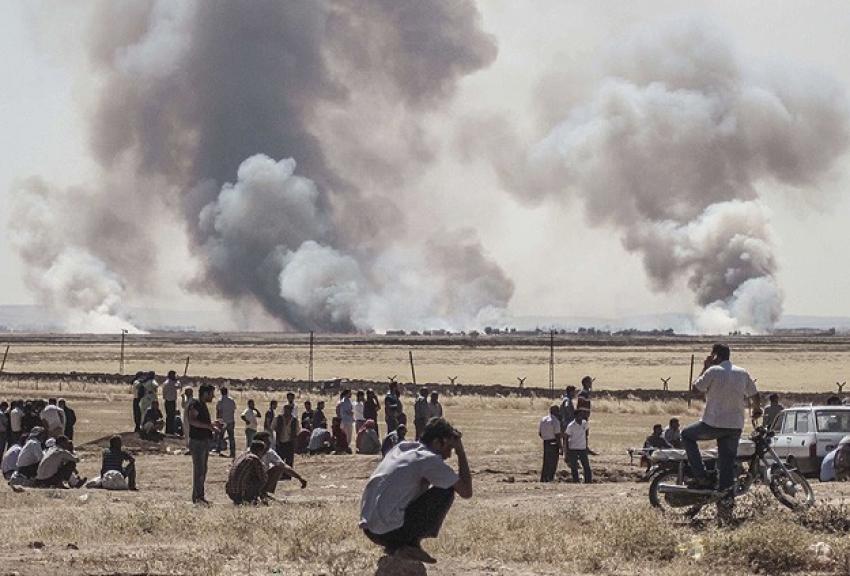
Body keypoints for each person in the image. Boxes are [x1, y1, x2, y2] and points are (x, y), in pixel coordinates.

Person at [359, 417, 472, 564]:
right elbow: (466, 491)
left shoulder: (402, 448)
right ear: (437, 442)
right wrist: (461, 452)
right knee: (447, 489)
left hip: (370, 529)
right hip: (389, 532)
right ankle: (408, 545)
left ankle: (401, 546)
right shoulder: (428, 459)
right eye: (449, 448)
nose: (449, 455)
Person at [682, 344, 761, 506]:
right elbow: (754, 394)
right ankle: (726, 500)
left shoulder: (713, 371)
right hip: (735, 425)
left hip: (713, 423)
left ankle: (701, 476)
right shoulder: (742, 372)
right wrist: (757, 409)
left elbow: (696, 389)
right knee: (727, 462)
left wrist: (705, 367)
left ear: (716, 356)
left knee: (686, 435)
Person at [187, 384, 221, 504]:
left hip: (204, 441)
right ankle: (197, 497)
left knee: (203, 470)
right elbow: (192, 420)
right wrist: (209, 426)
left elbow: (201, 421)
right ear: (205, 393)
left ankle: (200, 496)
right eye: (211, 394)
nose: (213, 396)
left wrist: (213, 424)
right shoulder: (195, 404)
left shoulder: (203, 405)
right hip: (197, 442)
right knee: (199, 470)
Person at [253, 431, 308, 496]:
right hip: (252, 481)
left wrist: (299, 478)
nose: (270, 443)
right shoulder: (251, 454)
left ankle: (264, 493)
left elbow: (284, 466)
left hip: (262, 479)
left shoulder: (270, 453)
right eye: (267, 441)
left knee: (279, 468)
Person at [565, 411, 592, 483]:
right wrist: (566, 450)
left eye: (581, 415)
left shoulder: (584, 423)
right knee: (574, 466)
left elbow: (586, 433)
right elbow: (566, 438)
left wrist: (586, 446)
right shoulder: (571, 426)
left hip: (582, 448)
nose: (581, 417)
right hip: (573, 448)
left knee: (586, 465)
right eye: (579, 415)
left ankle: (588, 480)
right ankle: (575, 480)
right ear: (575, 416)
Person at [539, 405, 562, 482]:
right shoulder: (555, 421)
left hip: (546, 442)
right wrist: (561, 447)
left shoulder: (543, 419)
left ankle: (543, 478)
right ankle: (550, 478)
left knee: (546, 461)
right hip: (554, 442)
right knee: (553, 461)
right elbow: (557, 435)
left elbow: (540, 433)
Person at [216, 387, 237, 458]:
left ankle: (218, 450)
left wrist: (218, 420)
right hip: (231, 420)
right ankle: (233, 452)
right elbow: (233, 410)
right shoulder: (231, 400)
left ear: (221, 392)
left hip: (223, 422)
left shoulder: (220, 401)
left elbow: (219, 411)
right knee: (231, 437)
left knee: (220, 436)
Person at [162, 370, 180, 435]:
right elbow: (179, 386)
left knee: (168, 416)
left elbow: (164, 393)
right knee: (171, 417)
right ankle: (171, 431)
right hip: (171, 401)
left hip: (167, 401)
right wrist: (177, 380)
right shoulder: (173, 383)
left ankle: (168, 430)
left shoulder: (165, 382)